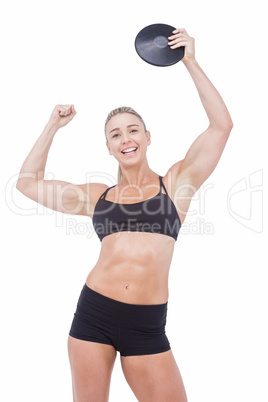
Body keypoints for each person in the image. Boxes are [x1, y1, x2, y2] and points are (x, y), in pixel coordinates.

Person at [16, 28, 233, 402]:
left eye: (133, 130)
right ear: (109, 148)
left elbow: (221, 126)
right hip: (93, 315)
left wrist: (191, 62)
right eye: (116, 134)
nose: (126, 138)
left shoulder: (177, 185)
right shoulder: (96, 197)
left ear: (148, 137)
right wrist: (52, 125)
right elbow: (27, 183)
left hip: (147, 327)